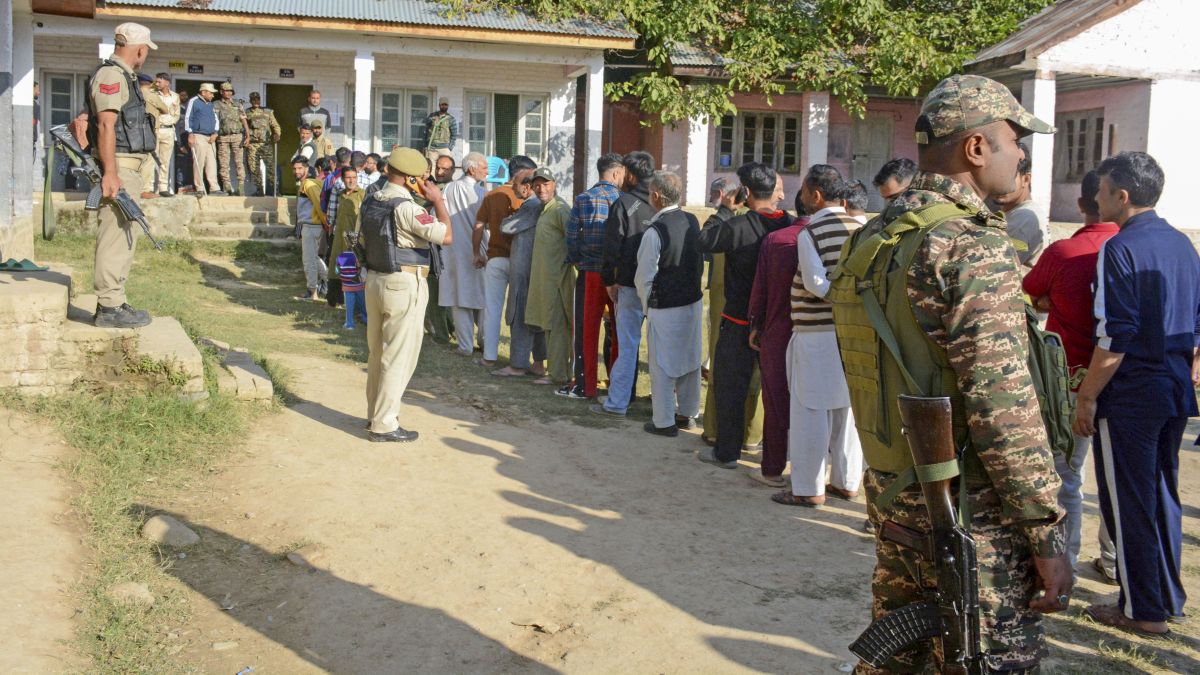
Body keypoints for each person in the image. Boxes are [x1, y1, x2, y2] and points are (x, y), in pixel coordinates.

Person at [834, 74, 1070, 673]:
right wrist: (1044, 532)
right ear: (975, 148)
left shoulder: (878, 238)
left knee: (903, 660)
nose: (1020, 153)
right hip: (972, 516)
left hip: (899, 497)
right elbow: (1003, 410)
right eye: (1013, 139)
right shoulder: (969, 245)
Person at [1073, 151, 1200, 637]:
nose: (1096, 198)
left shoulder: (1120, 248)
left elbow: (1116, 334)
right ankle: (1163, 596)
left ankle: (1142, 608)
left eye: (1102, 191)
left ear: (1121, 196)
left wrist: (1087, 396)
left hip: (1132, 395)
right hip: (1171, 392)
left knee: (1129, 502)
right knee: (1161, 494)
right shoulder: (1182, 244)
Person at [1022, 170, 1120, 580]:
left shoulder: (1065, 252)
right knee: (1122, 482)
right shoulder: (1128, 247)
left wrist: (1053, 299)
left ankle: (1068, 563)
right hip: (1125, 379)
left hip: (1073, 380)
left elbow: (1028, 290)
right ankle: (1115, 560)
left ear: (1081, 205)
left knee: (1068, 479)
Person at [772, 164, 862, 507]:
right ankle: (847, 481)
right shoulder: (860, 227)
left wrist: (842, 297)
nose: (804, 197)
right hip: (852, 334)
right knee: (846, 412)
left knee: (809, 412)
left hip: (815, 332)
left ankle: (808, 488)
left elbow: (814, 283)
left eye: (807, 191)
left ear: (817, 195)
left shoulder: (811, 232)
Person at [694, 162, 791, 469]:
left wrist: (725, 208)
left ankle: (727, 451)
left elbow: (704, 240)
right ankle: (774, 452)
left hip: (739, 320)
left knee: (730, 388)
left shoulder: (738, 227)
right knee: (776, 390)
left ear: (745, 192)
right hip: (776, 320)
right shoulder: (787, 224)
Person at [362, 148, 453, 443]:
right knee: (398, 355)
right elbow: (445, 236)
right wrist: (438, 200)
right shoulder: (408, 207)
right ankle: (385, 423)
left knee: (377, 352)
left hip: (375, 279)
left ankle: (375, 413)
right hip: (404, 281)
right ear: (412, 179)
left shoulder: (372, 199)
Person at [85, 22, 159, 329]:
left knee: (125, 236)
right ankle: (109, 306)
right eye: (145, 51)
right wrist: (111, 173)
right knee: (115, 236)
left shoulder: (123, 77)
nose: (145, 56)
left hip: (129, 168)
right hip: (120, 168)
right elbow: (105, 125)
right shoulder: (112, 75)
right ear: (140, 49)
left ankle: (115, 298)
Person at [746, 181, 807, 487]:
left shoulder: (778, 240)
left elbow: (761, 291)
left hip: (778, 329)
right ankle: (814, 471)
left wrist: (755, 325)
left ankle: (772, 468)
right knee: (815, 406)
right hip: (821, 333)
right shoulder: (843, 237)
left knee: (776, 401)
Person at [634, 171, 704, 436]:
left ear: (655, 196)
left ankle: (664, 421)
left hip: (664, 305)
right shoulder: (692, 220)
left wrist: (647, 306)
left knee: (662, 364)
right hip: (692, 301)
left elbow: (644, 275)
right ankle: (688, 412)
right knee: (690, 359)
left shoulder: (655, 231)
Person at [592, 151, 657, 417]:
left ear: (630, 174)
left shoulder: (624, 203)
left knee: (628, 344)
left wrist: (609, 280)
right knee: (660, 347)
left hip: (629, 286)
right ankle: (665, 406)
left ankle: (618, 402)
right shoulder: (661, 203)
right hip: (659, 288)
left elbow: (612, 247)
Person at [701, 178, 765, 449]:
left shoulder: (727, 227)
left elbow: (704, 240)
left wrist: (726, 211)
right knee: (756, 373)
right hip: (756, 308)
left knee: (722, 368)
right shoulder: (769, 226)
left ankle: (717, 430)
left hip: (727, 308)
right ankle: (751, 434)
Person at [564, 153, 625, 399]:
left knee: (587, 330)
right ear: (616, 173)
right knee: (618, 331)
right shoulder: (623, 199)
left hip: (589, 270)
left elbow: (571, 235)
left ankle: (586, 385)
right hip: (617, 275)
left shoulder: (584, 198)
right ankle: (617, 385)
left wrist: (578, 259)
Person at [473, 156, 536, 366]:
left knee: (493, 309)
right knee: (521, 310)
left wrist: (477, 253)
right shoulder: (531, 197)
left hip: (496, 257)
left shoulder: (492, 195)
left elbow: (479, 225)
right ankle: (523, 358)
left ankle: (489, 356)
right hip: (523, 261)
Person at [495, 171, 548, 378]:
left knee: (520, 314)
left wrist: (508, 218)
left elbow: (506, 226)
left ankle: (518, 364)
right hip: (534, 268)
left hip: (525, 269)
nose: (513, 188)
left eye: (515, 184)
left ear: (526, 187)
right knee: (536, 317)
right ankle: (538, 363)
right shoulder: (539, 205)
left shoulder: (531, 205)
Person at [526, 168, 576, 386]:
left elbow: (574, 241)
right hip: (545, 280)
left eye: (545, 184)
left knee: (557, 328)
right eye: (537, 185)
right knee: (549, 325)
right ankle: (557, 371)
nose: (541, 188)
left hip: (557, 280)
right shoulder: (545, 209)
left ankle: (558, 375)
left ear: (554, 184)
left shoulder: (560, 209)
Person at [439, 152, 488, 357]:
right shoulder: (481, 193)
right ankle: (486, 343)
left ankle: (465, 346)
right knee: (484, 299)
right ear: (471, 169)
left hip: (453, 250)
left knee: (459, 297)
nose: (487, 171)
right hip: (479, 251)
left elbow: (439, 215)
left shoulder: (449, 189)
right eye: (484, 167)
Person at [990, 141, 1045, 266]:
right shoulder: (1016, 213)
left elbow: (997, 266)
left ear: (1026, 179)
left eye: (1008, 178)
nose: (1000, 185)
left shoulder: (1024, 219)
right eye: (995, 177)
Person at [326, 165, 365, 307]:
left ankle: (354, 305)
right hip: (338, 238)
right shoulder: (340, 194)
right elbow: (332, 216)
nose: (351, 180)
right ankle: (334, 300)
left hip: (354, 240)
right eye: (348, 177)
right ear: (343, 179)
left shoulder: (363, 194)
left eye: (354, 177)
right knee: (335, 268)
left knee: (353, 270)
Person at [293, 158, 328, 301]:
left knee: (309, 260)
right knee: (314, 258)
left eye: (300, 168)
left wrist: (326, 222)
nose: (297, 171)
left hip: (312, 225)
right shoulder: (312, 183)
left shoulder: (309, 184)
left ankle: (312, 291)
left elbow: (319, 204)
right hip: (314, 226)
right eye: (295, 169)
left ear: (307, 169)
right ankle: (330, 284)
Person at [184, 82, 221, 196]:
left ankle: (214, 188)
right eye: (211, 93)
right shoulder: (194, 101)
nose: (213, 95)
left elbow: (215, 119)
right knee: (199, 162)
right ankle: (199, 188)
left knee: (211, 162)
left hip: (211, 137)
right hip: (198, 135)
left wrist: (215, 133)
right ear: (203, 92)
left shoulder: (210, 104)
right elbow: (188, 117)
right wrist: (190, 133)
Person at [214, 82, 249, 195]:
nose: (228, 93)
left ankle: (241, 186)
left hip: (237, 136)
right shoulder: (216, 105)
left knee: (239, 162)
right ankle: (227, 186)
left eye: (230, 91)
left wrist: (247, 135)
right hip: (223, 137)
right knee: (224, 163)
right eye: (226, 91)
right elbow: (214, 121)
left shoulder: (237, 104)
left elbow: (243, 120)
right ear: (221, 92)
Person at [136, 73, 167, 198]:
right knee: (149, 160)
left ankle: (135, 187)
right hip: (150, 130)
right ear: (149, 84)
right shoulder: (152, 96)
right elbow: (165, 109)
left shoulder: (133, 95)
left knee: (136, 159)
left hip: (134, 131)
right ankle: (145, 189)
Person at [245, 91, 280, 196]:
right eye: (254, 99)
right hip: (252, 144)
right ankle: (259, 190)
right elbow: (244, 127)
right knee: (254, 168)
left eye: (258, 99)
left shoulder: (267, 112)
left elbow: (275, 125)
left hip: (265, 144)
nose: (256, 101)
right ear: (250, 101)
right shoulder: (247, 112)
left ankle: (275, 190)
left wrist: (277, 134)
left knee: (270, 167)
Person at [150, 72, 179, 197]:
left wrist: (169, 120)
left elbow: (176, 114)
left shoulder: (175, 96)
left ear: (167, 82)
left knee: (165, 161)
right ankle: (149, 187)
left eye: (159, 82)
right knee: (151, 160)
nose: (157, 84)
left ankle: (162, 187)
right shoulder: (154, 95)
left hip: (168, 130)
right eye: (156, 82)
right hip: (156, 129)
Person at [336, 248, 367, 329]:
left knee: (349, 307)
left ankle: (349, 324)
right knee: (362, 304)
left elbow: (336, 270)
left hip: (347, 286)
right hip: (359, 285)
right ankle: (366, 319)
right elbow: (362, 269)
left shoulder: (341, 256)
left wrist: (341, 275)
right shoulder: (358, 256)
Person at [423, 97, 459, 162]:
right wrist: (425, 145)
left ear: (448, 106)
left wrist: (450, 148)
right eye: (442, 104)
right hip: (432, 148)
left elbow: (454, 135)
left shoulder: (451, 119)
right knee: (431, 168)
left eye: (446, 105)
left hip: (444, 148)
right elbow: (426, 131)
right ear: (439, 105)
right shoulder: (432, 116)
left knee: (445, 168)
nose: (444, 106)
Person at [174, 90, 194, 192]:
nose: (184, 97)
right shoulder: (176, 109)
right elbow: (176, 129)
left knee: (190, 165)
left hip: (190, 142)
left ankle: (189, 186)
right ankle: (180, 186)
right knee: (181, 166)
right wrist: (180, 145)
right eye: (182, 95)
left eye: (185, 95)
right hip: (181, 142)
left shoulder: (189, 109)